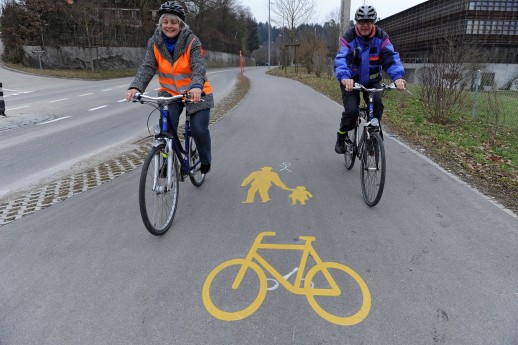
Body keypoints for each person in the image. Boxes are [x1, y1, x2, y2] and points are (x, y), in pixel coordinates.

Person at [126, 1, 214, 174]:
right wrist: (136, 87)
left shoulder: (192, 41)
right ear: (161, 23)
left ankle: (205, 160)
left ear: (180, 24)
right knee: (166, 130)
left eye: (173, 22)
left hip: (196, 92)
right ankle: (167, 162)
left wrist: (196, 86)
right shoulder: (155, 42)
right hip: (170, 94)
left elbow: (198, 67)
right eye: (165, 22)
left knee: (198, 129)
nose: (169, 26)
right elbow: (148, 67)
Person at [333, 5, 406, 154]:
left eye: (369, 22)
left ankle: (373, 137)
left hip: (372, 81)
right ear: (356, 22)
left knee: (377, 104)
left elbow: (390, 58)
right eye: (361, 22)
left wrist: (398, 77)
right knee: (352, 111)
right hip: (351, 81)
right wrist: (345, 77)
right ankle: (341, 136)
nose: (365, 25)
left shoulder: (381, 37)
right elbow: (342, 59)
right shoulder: (349, 37)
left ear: (374, 22)